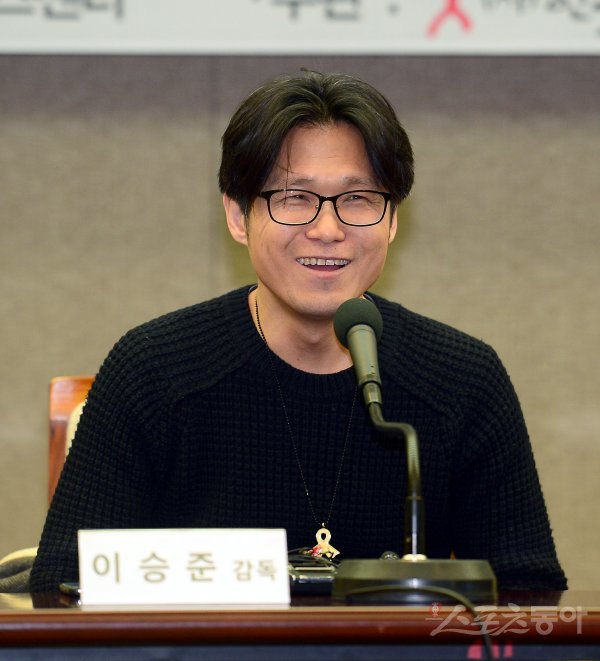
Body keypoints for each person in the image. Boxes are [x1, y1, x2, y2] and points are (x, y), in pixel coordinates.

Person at [30, 71, 567, 593]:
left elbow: (529, 596)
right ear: (238, 217)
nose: (327, 230)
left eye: (357, 199)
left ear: (392, 220)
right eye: (294, 198)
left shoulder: (462, 380)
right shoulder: (154, 369)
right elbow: (64, 585)